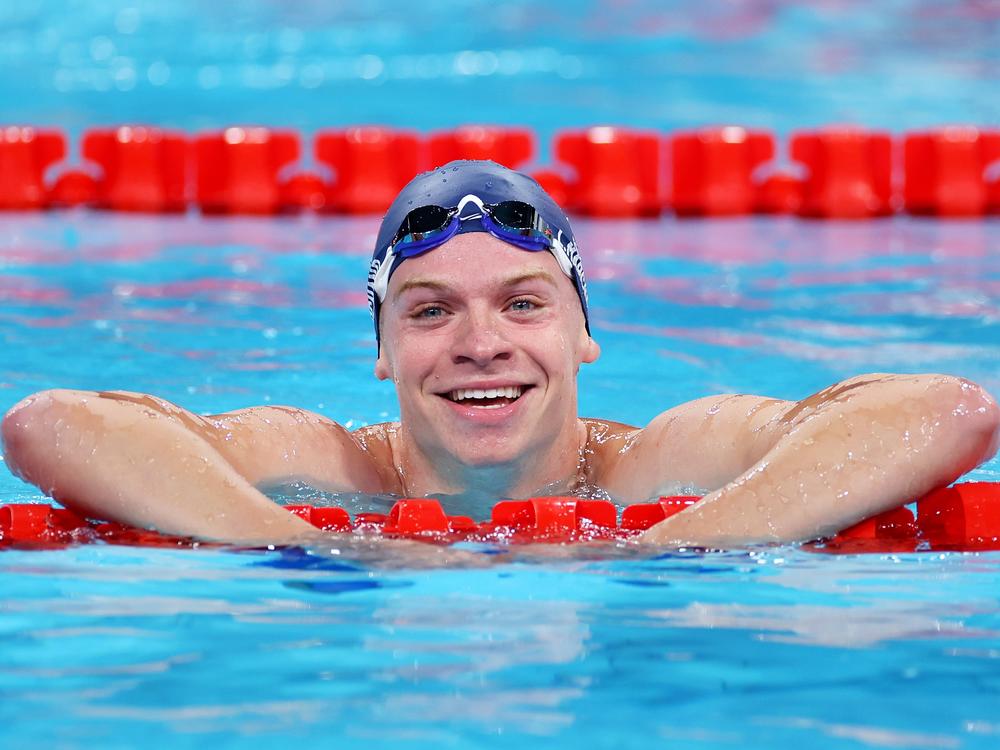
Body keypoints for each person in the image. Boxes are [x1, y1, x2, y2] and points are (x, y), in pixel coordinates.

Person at [2, 161, 998, 549]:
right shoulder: (335, 467)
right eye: (429, 311)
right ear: (383, 354)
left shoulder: (651, 461)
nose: (481, 346)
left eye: (523, 304)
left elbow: (947, 412)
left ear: (582, 333)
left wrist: (663, 548)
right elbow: (54, 426)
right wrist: (321, 545)